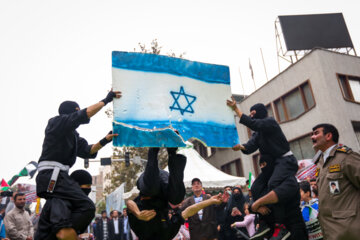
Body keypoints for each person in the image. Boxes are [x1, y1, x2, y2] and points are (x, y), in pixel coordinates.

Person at [36, 90, 121, 240]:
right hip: (51, 175)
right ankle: (63, 231)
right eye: (77, 110)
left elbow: (88, 150)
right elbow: (83, 114)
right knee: (87, 206)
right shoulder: (56, 122)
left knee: (68, 203)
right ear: (71, 112)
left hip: (59, 176)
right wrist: (106, 100)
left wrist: (105, 140)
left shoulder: (74, 136)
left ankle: (60, 231)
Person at [226, 99, 307, 240]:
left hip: (285, 160)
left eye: (253, 113)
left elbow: (253, 123)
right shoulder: (258, 134)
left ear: (260, 114)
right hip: (275, 165)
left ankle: (280, 225)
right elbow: (250, 146)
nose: (251, 116)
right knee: (257, 187)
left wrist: (236, 110)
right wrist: (241, 147)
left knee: (273, 184)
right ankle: (264, 222)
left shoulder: (270, 122)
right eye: (249, 114)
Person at [126, 147, 229, 240]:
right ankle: (172, 152)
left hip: (147, 184)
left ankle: (153, 149)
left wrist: (138, 214)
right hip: (164, 186)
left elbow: (129, 203)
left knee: (151, 189)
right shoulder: (168, 234)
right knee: (176, 199)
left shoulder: (141, 232)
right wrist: (209, 201)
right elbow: (187, 212)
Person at [311, 123, 360, 240]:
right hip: (330, 230)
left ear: (328, 136)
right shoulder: (320, 163)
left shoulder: (346, 157)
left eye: (316, 133)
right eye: (312, 134)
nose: (312, 137)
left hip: (349, 230)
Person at [35, 169, 95, 240]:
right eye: (87, 186)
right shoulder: (60, 200)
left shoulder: (72, 202)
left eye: (90, 186)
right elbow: (63, 234)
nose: (89, 189)